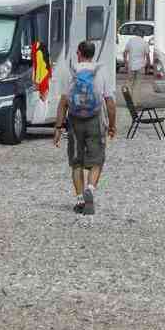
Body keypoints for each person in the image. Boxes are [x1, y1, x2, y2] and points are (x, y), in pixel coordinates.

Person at [53, 40, 117, 215]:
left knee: (76, 162)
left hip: (74, 120)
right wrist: (112, 126)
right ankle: (90, 188)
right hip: (95, 119)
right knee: (97, 160)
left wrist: (58, 128)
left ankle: (80, 199)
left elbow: (63, 102)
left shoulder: (70, 71)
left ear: (79, 53)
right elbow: (110, 102)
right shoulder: (101, 71)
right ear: (93, 54)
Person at [123, 33, 150, 106]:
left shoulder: (131, 41)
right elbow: (147, 56)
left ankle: (128, 101)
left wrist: (125, 63)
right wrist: (148, 67)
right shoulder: (144, 43)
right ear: (143, 35)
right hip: (141, 66)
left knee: (129, 83)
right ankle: (134, 103)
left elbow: (125, 52)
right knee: (137, 85)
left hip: (131, 65)